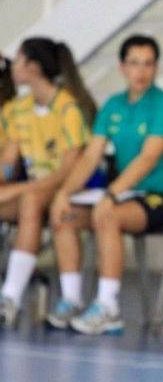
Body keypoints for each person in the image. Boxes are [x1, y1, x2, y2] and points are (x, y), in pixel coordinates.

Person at [46, 34, 163, 334]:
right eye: (134, 63)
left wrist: (111, 194)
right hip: (128, 193)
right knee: (64, 212)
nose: (141, 71)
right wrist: (64, 193)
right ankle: (72, 298)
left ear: (156, 68)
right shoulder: (113, 105)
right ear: (121, 68)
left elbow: (148, 159)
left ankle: (108, 306)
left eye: (148, 64)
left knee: (107, 214)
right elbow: (90, 157)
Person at [0, 38, 95, 328]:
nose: (12, 67)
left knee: (30, 201)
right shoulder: (19, 108)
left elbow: (69, 170)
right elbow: (7, 162)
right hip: (36, 188)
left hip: (71, 188)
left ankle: (10, 298)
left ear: (33, 67)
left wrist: (23, 189)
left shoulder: (68, 108)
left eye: (17, 60)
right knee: (24, 200)